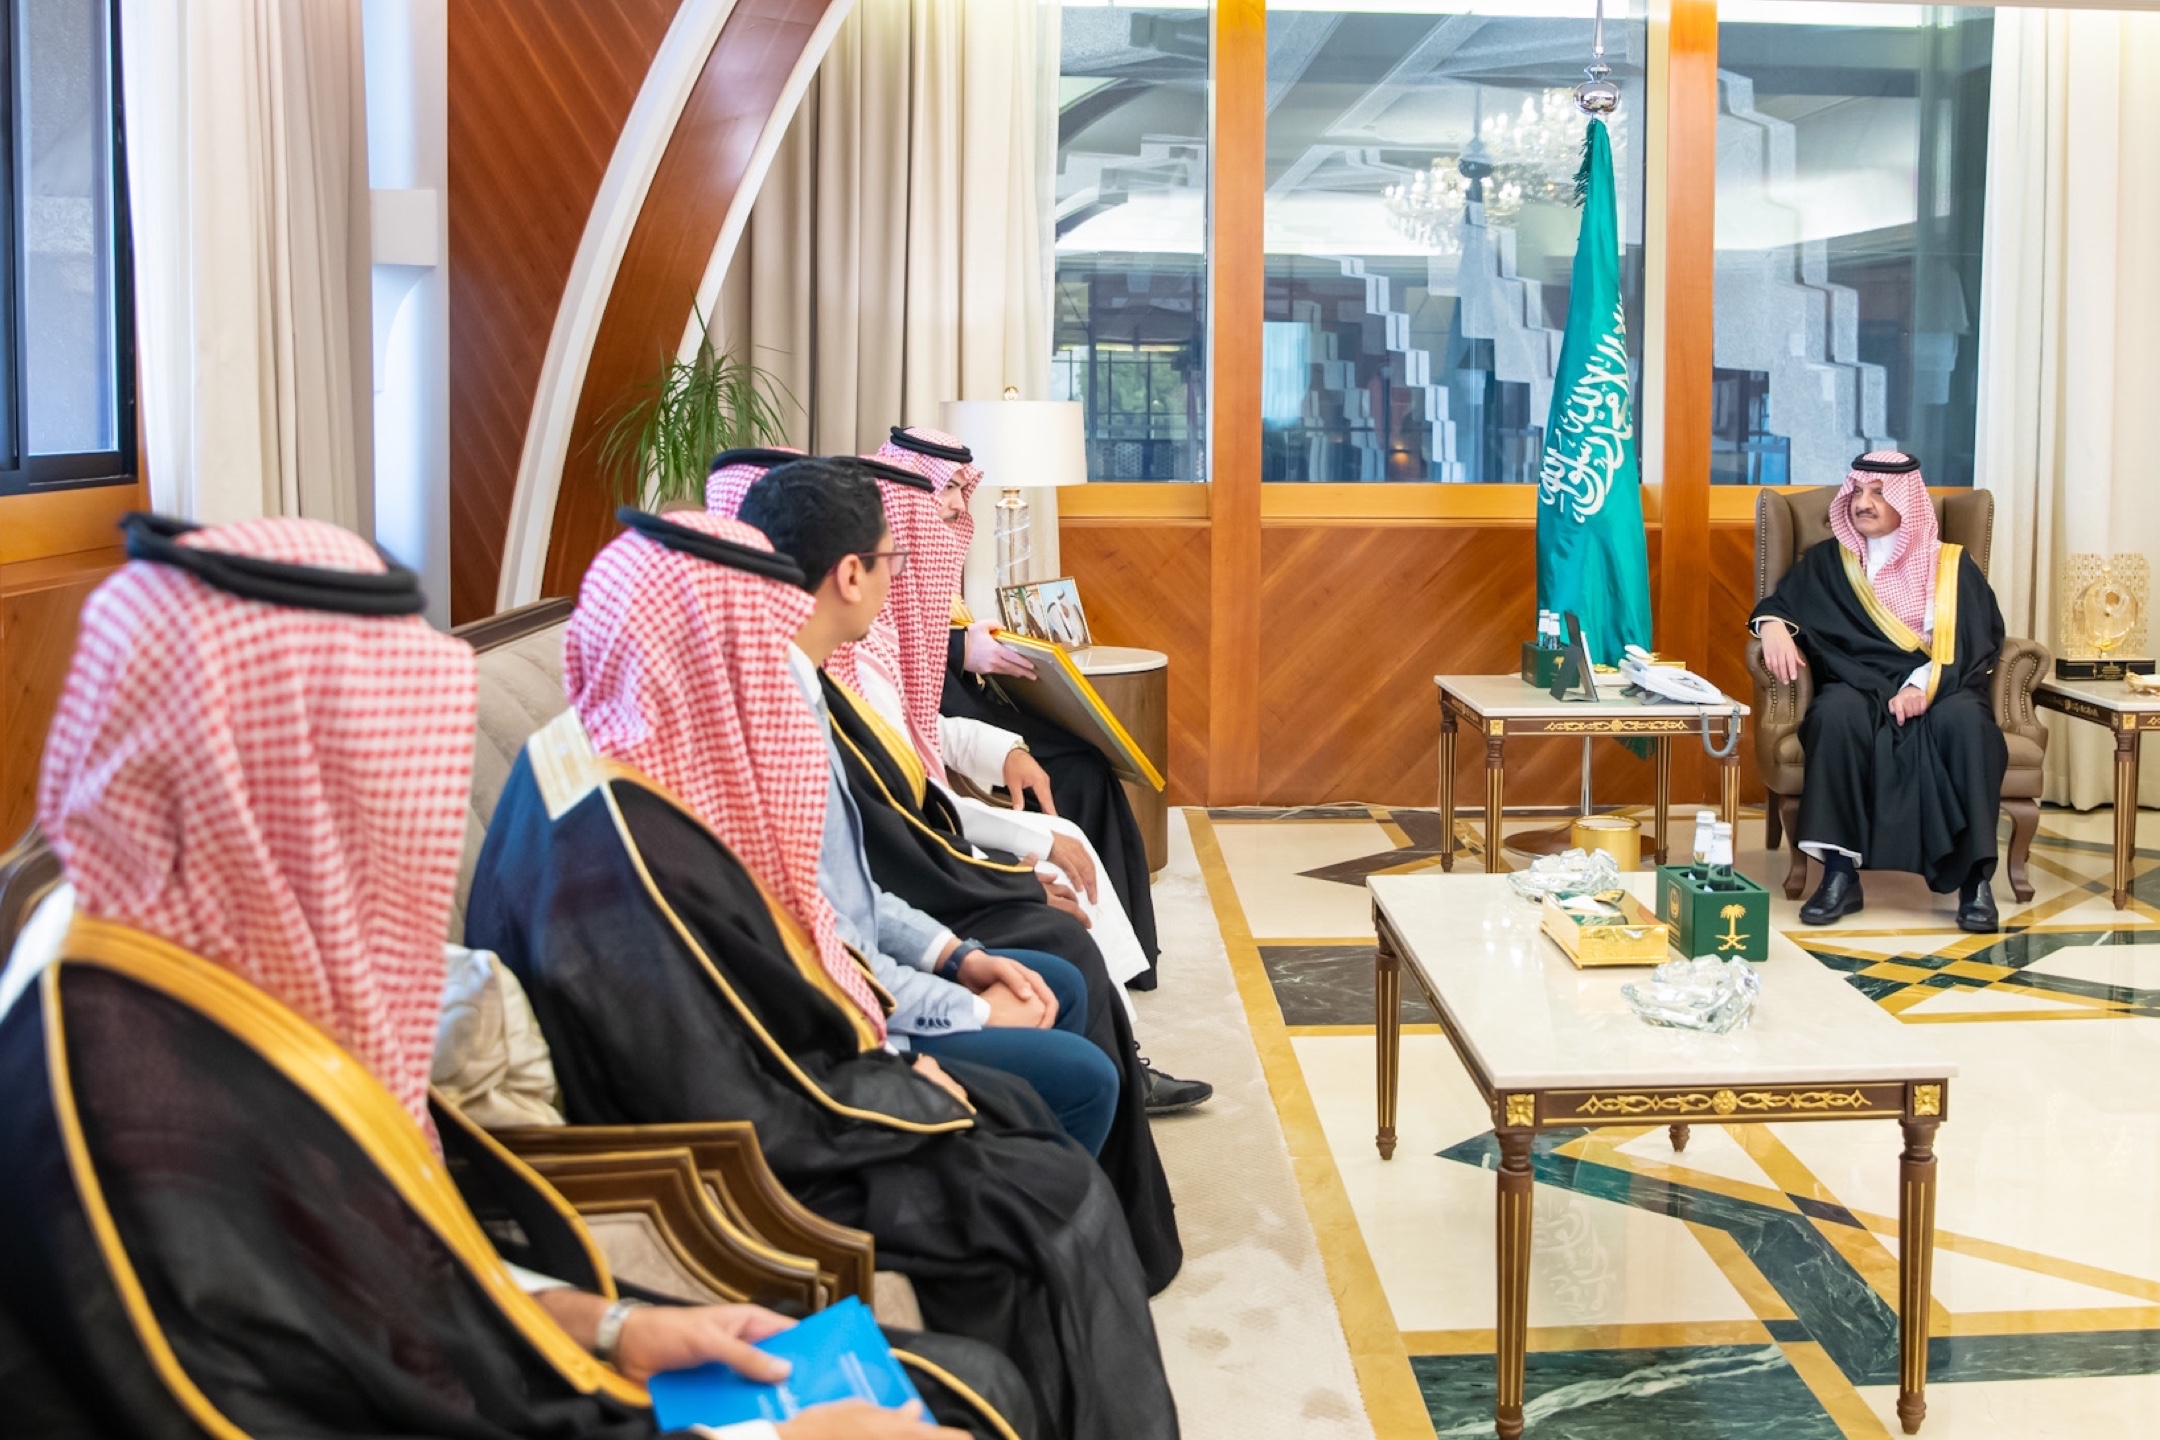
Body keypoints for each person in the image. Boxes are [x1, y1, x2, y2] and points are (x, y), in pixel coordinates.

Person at [0, 512, 1021, 1440]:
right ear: (267, 780)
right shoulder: (117, 1085)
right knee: (976, 1363)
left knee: (976, 1366)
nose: (413, 824)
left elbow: (383, 1283)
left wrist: (612, 1327)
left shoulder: (207, 965)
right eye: (384, 773)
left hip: (517, 1358)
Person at [463, 508, 1181, 1440]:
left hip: (753, 1097)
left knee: (1029, 1123)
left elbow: (778, 967)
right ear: (704, 651)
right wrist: (901, 1077)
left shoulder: (614, 765)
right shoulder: (627, 842)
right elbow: (719, 1081)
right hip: (709, 1155)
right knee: (1047, 1194)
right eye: (756, 643)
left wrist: (921, 1015)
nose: (776, 669)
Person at [737, 462, 1184, 1288]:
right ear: (849, 574)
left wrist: (958, 957)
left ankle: (1088, 1225)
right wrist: (966, 985)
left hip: (905, 910)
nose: (909, 573)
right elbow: (820, 936)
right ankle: (1046, 1258)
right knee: (1061, 967)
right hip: (855, 1014)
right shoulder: (769, 716)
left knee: (1065, 903)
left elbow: (896, 807)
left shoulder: (812, 677)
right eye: (898, 555)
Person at [885, 433, 1166, 995]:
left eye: (963, 490)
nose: (957, 505)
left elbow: (924, 628)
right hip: (938, 714)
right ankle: (1106, 951)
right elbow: (900, 645)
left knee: (1087, 760)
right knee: (1079, 774)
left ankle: (1128, 948)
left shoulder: (926, 541)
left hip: (952, 705)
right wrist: (962, 649)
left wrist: (966, 644)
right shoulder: (884, 546)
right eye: (948, 489)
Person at [1751, 451, 2009, 932]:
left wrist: (1921, 686)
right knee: (1834, 715)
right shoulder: (1830, 562)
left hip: (1942, 683)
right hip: (1857, 681)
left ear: (1907, 502)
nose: (1861, 503)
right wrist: (1772, 626)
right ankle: (1840, 876)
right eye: (1857, 491)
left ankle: (1975, 881)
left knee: (1968, 725)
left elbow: (1978, 639)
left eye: (1877, 493)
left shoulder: (1951, 564)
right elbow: (1782, 603)